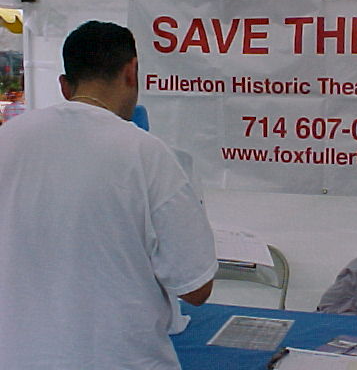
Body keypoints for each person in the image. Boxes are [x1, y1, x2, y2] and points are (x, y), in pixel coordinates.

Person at [0, 21, 218, 369]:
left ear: (64, 85)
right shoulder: (147, 154)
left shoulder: (7, 140)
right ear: (131, 71)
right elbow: (196, 288)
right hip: (119, 359)